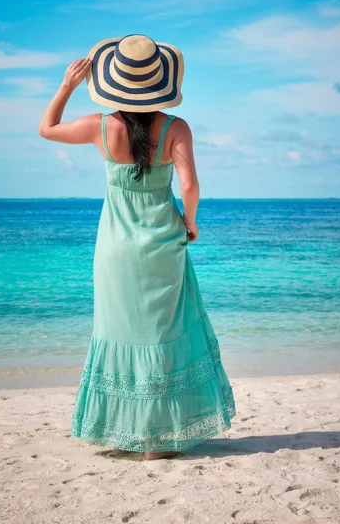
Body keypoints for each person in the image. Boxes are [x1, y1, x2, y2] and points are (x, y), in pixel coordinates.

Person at [38, 34, 236, 460]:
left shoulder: (99, 126)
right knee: (164, 334)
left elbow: (46, 129)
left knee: (120, 332)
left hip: (115, 251)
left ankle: (131, 431)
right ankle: (158, 440)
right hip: (163, 244)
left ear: (113, 83)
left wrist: (67, 86)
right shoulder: (176, 127)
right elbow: (189, 185)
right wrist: (190, 221)